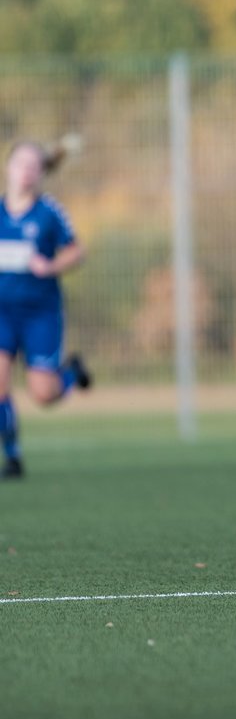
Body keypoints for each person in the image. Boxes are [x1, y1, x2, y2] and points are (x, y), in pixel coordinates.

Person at [1, 139, 93, 480]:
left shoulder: (49, 213)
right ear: (8, 168)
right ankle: (13, 456)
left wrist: (51, 266)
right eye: (19, 163)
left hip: (40, 313)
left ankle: (71, 374)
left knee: (44, 394)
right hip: (1, 313)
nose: (25, 171)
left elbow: (76, 252)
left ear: (41, 173)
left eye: (32, 165)